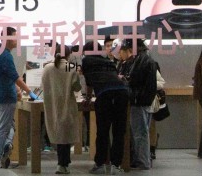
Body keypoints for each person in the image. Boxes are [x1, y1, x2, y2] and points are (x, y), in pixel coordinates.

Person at [81, 40, 129, 174]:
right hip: (121, 93)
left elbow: (89, 83)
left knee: (102, 130)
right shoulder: (108, 62)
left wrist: (88, 98)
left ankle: (100, 163)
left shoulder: (86, 61)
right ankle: (116, 166)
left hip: (105, 95)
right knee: (119, 131)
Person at [0, 27, 30, 169]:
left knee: (9, 125)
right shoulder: (6, 55)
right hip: (7, 96)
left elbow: (5, 77)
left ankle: (6, 146)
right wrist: (29, 91)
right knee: (3, 127)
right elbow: (15, 77)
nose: (17, 40)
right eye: (15, 36)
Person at [42, 46, 80, 175]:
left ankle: (62, 163)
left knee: (58, 134)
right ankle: (63, 164)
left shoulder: (47, 67)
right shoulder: (70, 67)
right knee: (66, 135)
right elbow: (76, 87)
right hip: (67, 104)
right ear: (69, 55)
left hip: (52, 104)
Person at [123, 40, 158, 169]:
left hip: (138, 100)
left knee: (139, 133)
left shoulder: (141, 60)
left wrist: (125, 80)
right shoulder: (148, 59)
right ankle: (143, 160)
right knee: (143, 132)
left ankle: (143, 162)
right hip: (146, 100)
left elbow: (134, 80)